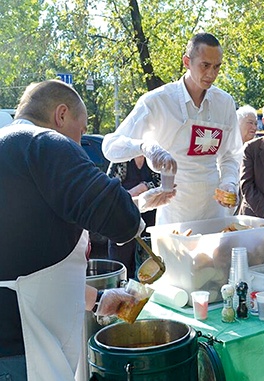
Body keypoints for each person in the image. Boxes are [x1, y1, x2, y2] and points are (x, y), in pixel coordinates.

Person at [0, 80, 172, 381]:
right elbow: (119, 216)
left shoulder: (11, 152)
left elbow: (27, 263)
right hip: (21, 348)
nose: (79, 144)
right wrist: (139, 208)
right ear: (61, 115)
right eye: (80, 132)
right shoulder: (42, 143)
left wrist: (97, 299)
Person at [103, 32, 242, 225]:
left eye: (217, 66)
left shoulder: (224, 103)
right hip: (175, 210)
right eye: (205, 65)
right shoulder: (157, 101)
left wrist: (229, 182)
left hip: (215, 212)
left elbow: (230, 154)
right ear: (187, 62)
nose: (211, 74)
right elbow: (110, 146)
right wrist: (144, 147)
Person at [106, 156, 161, 279]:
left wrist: (145, 186)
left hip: (149, 221)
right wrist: (132, 193)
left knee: (146, 268)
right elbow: (109, 188)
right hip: (123, 219)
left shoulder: (153, 159)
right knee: (119, 266)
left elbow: (163, 183)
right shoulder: (120, 158)